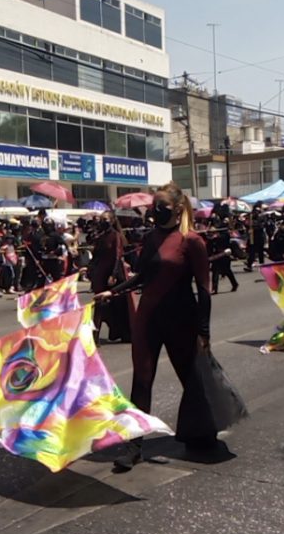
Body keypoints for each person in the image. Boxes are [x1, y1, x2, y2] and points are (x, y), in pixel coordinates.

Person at [95, 183, 213, 470]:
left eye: (161, 206)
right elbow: (142, 277)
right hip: (148, 319)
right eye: (153, 206)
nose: (155, 211)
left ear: (177, 208)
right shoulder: (150, 239)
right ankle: (134, 446)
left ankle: (202, 431)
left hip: (181, 320)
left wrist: (204, 330)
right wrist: (114, 291)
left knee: (191, 379)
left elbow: (204, 290)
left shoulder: (192, 241)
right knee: (141, 381)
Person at [88, 211, 131, 344]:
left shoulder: (115, 236)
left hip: (112, 275)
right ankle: (95, 335)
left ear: (112, 221)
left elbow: (118, 256)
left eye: (105, 219)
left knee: (114, 305)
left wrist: (113, 274)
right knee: (100, 304)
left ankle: (114, 331)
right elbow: (96, 256)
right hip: (100, 274)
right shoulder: (100, 236)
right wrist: (89, 269)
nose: (103, 221)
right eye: (101, 219)